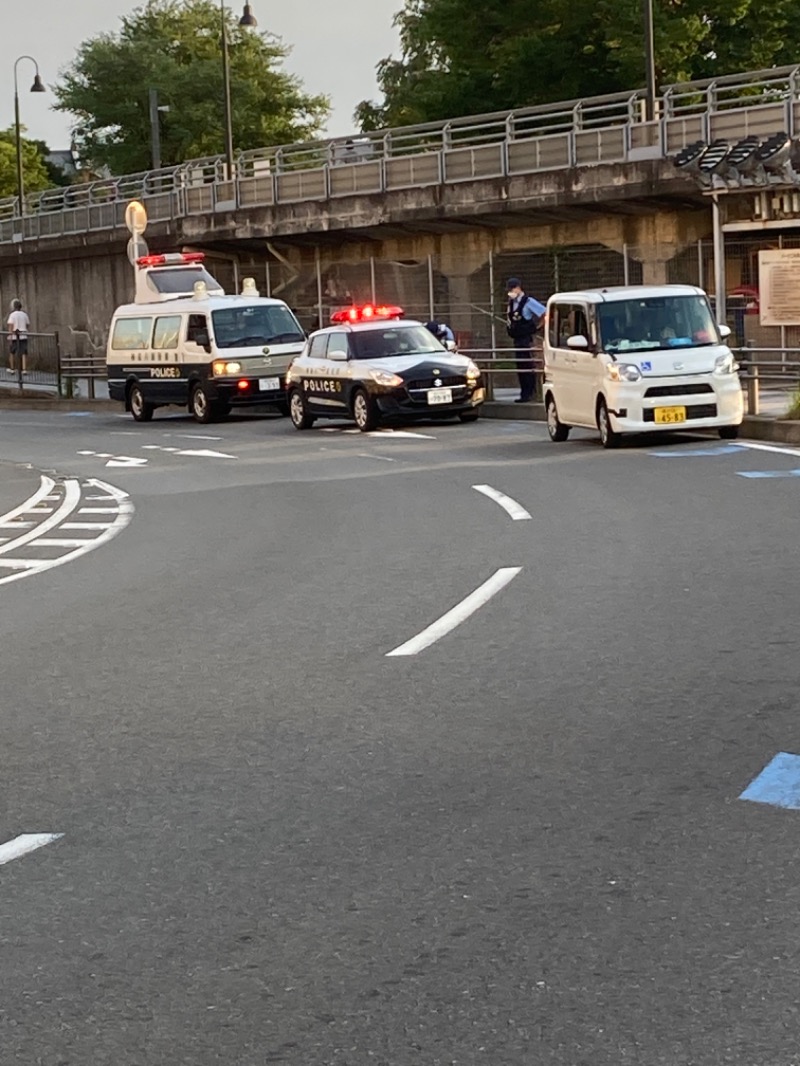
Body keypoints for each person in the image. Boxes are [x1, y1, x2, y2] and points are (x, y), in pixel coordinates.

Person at [506, 278, 545, 402]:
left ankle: (531, 392)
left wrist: (537, 328)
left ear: (518, 288)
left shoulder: (528, 301)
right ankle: (524, 393)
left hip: (527, 339)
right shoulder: (511, 303)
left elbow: (545, 313)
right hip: (517, 338)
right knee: (521, 367)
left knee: (528, 366)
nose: (510, 292)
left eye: (512, 288)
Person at [7, 298, 30, 376]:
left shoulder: (12, 315)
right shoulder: (24, 314)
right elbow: (27, 325)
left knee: (12, 352)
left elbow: (11, 325)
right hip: (23, 335)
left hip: (14, 336)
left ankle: (12, 369)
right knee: (24, 353)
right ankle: (24, 369)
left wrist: (10, 335)